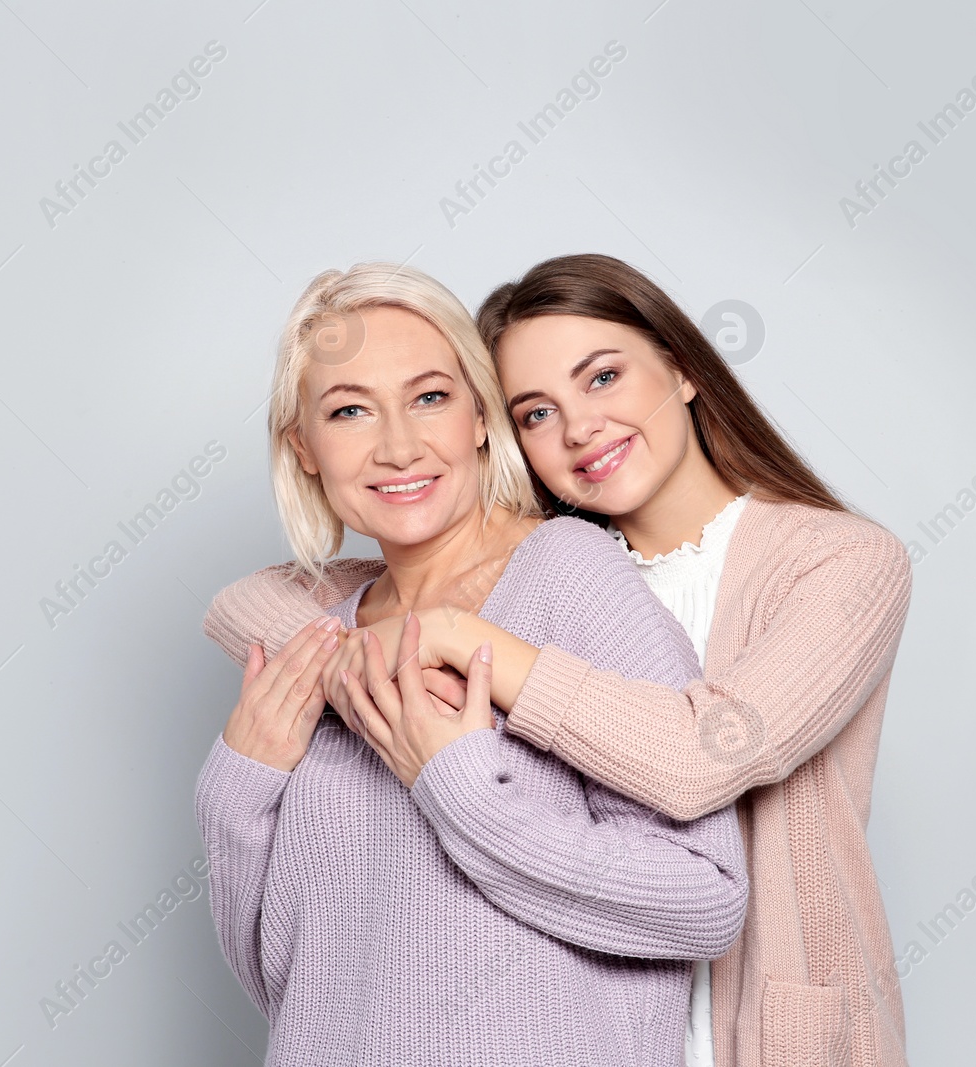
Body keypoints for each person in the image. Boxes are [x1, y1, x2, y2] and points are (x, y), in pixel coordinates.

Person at [205, 254, 915, 1067]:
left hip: (758, 1027)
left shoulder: (827, 564)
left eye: (604, 376)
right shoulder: (497, 567)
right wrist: (327, 682)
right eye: (536, 412)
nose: (579, 428)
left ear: (683, 367)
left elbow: (696, 758)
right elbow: (257, 600)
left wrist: (463, 668)